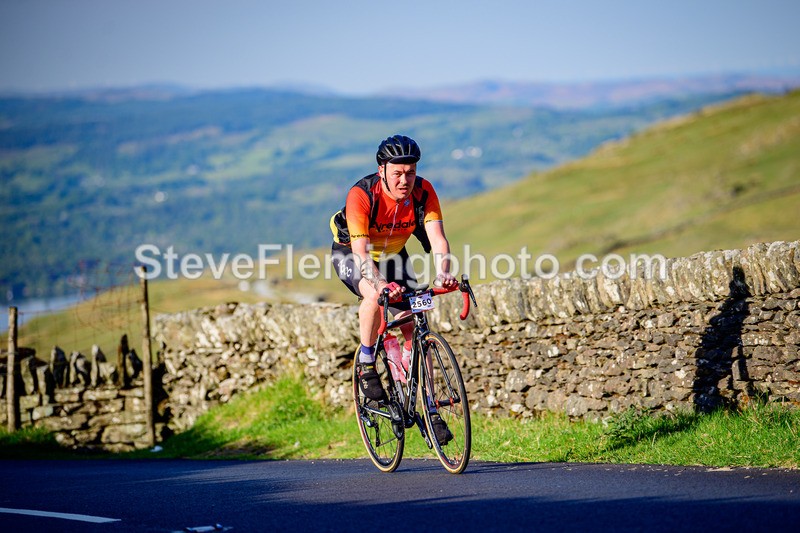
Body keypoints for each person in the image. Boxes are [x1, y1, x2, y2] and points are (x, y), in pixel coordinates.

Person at [330, 134, 456, 445]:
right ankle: (367, 362)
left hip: (394, 256)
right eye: (397, 173)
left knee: (415, 320)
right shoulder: (362, 194)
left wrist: (444, 275)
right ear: (382, 169)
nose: (405, 180)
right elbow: (360, 253)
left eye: (410, 172)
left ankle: (429, 408)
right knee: (374, 295)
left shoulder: (424, 191)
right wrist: (380, 283)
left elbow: (437, 239)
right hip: (353, 255)